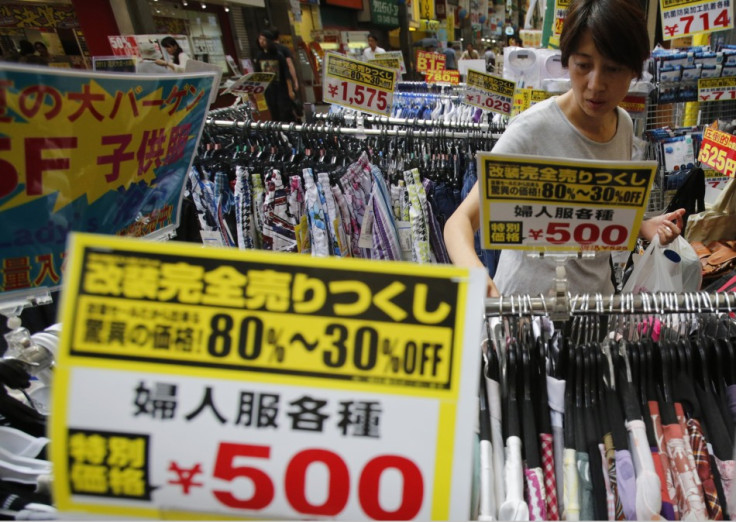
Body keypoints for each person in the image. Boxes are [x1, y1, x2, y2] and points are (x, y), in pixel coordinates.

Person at [443, 0, 686, 297]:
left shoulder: (622, 124)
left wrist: (642, 226)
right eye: (583, 65)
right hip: (526, 311)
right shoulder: (531, 129)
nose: (595, 84)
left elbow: (596, 210)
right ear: (567, 61)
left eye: (612, 69)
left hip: (593, 308)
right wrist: (475, 272)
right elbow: (459, 222)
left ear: (634, 72)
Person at [254, 29, 295, 122]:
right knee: (273, 111)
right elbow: (257, 74)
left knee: (283, 111)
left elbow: (286, 73)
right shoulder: (259, 56)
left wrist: (290, 90)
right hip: (268, 89)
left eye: (264, 39)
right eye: (260, 39)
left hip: (281, 88)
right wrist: (257, 91)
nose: (261, 42)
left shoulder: (278, 55)